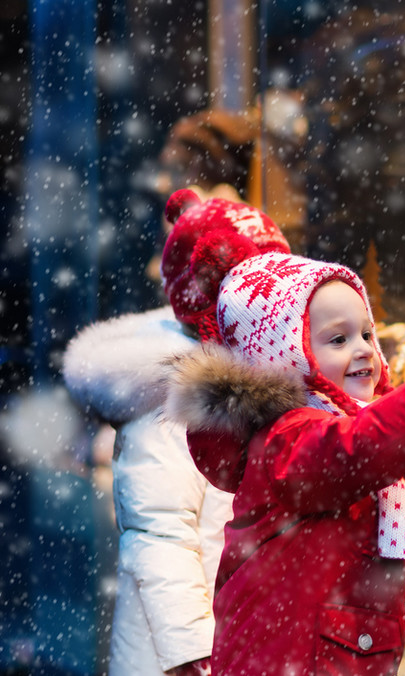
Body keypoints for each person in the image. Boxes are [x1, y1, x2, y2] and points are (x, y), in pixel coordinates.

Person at [158, 187, 405, 674]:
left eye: (366, 333)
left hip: (333, 648)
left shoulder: (328, 430)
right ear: (285, 354)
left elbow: (356, 474)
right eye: (337, 339)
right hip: (296, 654)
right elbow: (355, 451)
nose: (363, 349)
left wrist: (402, 497)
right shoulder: (289, 434)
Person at [61, 195, 293, 676]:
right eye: (264, 281)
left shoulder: (247, 379)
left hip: (234, 635)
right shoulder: (175, 394)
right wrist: (193, 652)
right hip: (183, 654)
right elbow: (158, 533)